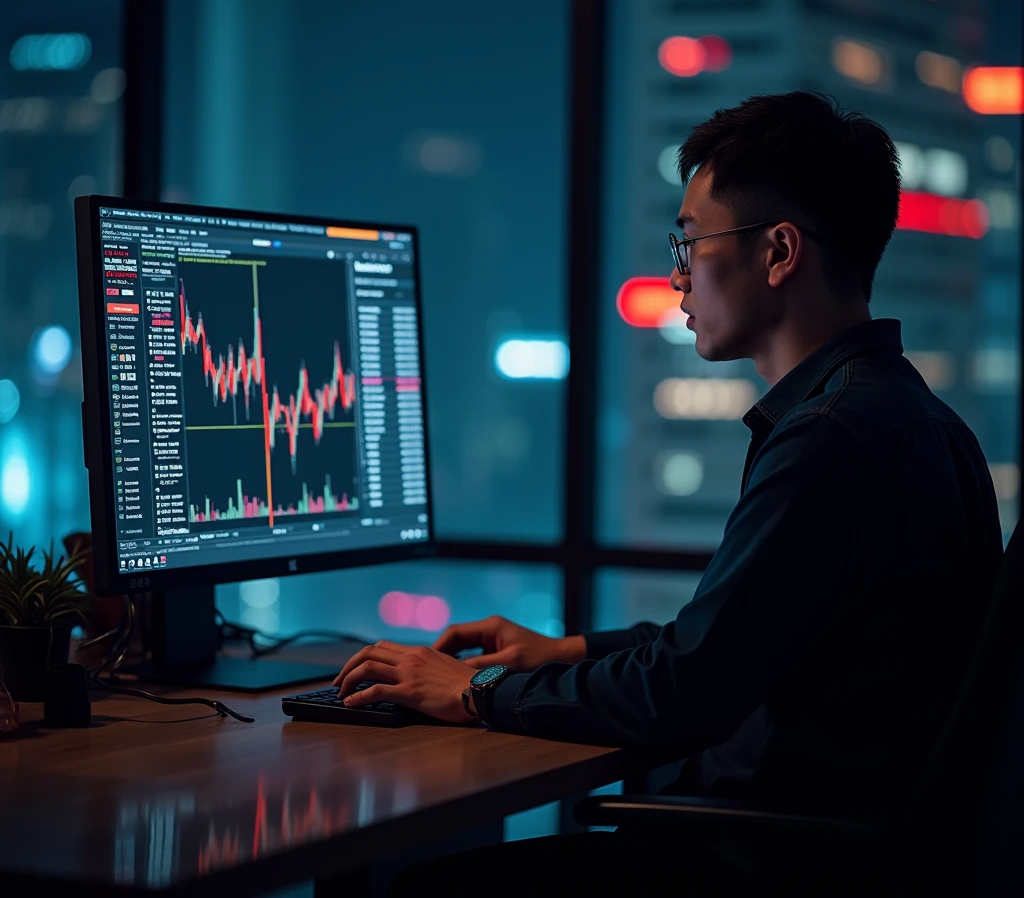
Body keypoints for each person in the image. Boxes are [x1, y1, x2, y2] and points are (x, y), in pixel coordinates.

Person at [333, 91, 1003, 893]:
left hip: (758, 861)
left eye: (690, 242)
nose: (676, 276)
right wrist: (566, 652)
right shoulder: (916, 420)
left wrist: (476, 689)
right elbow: (735, 639)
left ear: (779, 252)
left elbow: (683, 693)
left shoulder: (830, 439)